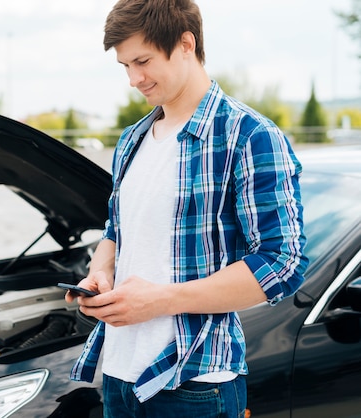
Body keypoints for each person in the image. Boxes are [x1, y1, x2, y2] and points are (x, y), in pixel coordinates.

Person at [65, 0, 309, 416]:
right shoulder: (132, 140)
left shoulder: (249, 136)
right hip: (119, 376)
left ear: (185, 44)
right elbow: (117, 228)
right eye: (125, 66)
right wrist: (101, 272)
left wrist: (161, 300)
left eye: (142, 61)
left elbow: (281, 264)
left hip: (194, 386)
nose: (133, 79)